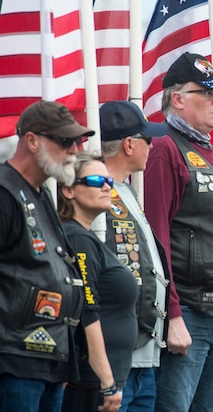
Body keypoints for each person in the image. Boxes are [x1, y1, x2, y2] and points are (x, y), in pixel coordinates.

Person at [143, 52, 213, 412]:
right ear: (177, 99)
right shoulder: (164, 147)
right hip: (187, 313)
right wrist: (172, 315)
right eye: (207, 93)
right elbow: (156, 238)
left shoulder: (209, 152)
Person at [0, 101, 92, 412]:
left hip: (48, 360)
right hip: (13, 362)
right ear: (32, 140)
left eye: (77, 142)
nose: (73, 150)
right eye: (65, 141)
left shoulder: (41, 193)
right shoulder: (4, 191)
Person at [98, 101, 170, 411]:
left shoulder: (125, 191)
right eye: (147, 139)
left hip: (143, 353)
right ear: (129, 144)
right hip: (115, 355)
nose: (151, 146)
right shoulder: (96, 191)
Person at [58, 152, 138, 412]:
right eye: (94, 180)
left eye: (109, 181)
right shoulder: (78, 239)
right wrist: (106, 382)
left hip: (103, 380)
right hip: (92, 383)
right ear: (68, 190)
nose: (106, 186)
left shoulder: (85, 236)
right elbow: (87, 312)